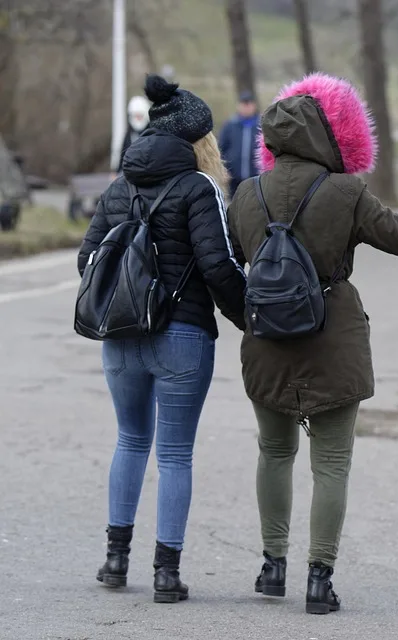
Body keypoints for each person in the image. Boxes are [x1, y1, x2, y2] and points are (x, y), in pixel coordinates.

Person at [226, 72, 398, 615]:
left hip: (265, 341)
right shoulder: (345, 191)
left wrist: (242, 314)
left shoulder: (246, 194)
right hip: (332, 340)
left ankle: (272, 567)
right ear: (328, 134)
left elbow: (229, 265)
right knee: (331, 462)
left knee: (274, 452)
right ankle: (319, 580)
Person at [79, 75, 247, 604]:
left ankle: (114, 559)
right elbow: (219, 267)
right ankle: (166, 574)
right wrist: (252, 320)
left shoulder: (118, 187)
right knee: (175, 453)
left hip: (121, 335)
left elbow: (86, 261)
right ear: (200, 141)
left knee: (130, 440)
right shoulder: (199, 188)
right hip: (183, 335)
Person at [218, 90, 260, 198]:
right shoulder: (229, 125)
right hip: (234, 178)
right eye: (243, 104)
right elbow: (221, 149)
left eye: (248, 104)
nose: (246, 107)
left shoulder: (261, 126)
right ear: (238, 106)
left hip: (256, 177)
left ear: (254, 106)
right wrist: (223, 170)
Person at [119, 95, 151, 167]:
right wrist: (117, 170)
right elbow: (123, 152)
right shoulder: (129, 133)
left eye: (139, 116)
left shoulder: (151, 132)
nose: (137, 118)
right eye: (135, 116)